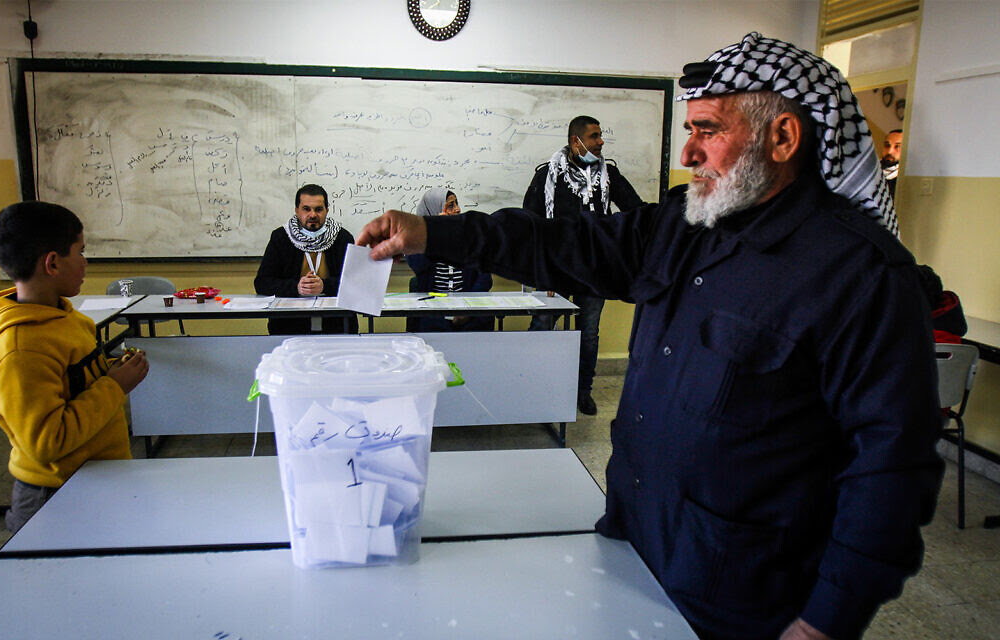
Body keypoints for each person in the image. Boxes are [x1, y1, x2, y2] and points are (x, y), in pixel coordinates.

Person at [359, 33, 942, 640]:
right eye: (688, 129)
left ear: (784, 138)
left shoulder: (862, 276)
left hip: (746, 593)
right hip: (635, 542)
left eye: (709, 130)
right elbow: (560, 243)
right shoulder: (684, 224)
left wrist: (826, 621)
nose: (688, 150)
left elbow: (892, 466)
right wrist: (432, 233)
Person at [0, 201, 149, 532]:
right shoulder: (19, 350)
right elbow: (47, 442)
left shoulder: (67, 317)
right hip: (55, 496)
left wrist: (111, 369)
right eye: (80, 252)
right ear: (52, 263)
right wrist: (115, 385)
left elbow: (75, 382)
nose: (85, 263)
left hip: (95, 478)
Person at [523, 115, 644, 415]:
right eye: (594, 136)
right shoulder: (547, 175)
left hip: (594, 269)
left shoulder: (609, 175)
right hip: (555, 270)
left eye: (601, 135)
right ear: (575, 141)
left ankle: (582, 392)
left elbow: (636, 211)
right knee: (542, 325)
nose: (601, 141)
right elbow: (529, 222)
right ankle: (529, 386)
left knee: (588, 333)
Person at [255, 183, 358, 335]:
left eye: (318, 209)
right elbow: (262, 283)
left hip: (337, 325)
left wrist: (325, 286)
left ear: (327, 211)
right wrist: (296, 287)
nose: (312, 215)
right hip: (289, 326)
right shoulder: (281, 238)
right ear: (297, 211)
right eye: (306, 209)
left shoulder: (342, 238)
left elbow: (356, 283)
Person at [406, 188, 493, 332]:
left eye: (457, 204)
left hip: (470, 311)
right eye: (451, 206)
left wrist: (468, 309)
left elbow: (485, 279)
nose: (458, 209)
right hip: (433, 314)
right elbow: (418, 265)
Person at [881, 129, 902, 198]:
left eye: (897, 146)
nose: (890, 151)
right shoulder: (871, 167)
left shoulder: (904, 181)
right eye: (887, 145)